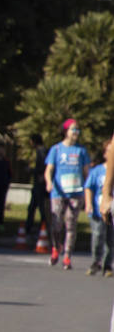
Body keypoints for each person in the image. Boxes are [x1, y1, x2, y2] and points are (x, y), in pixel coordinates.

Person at [45, 118, 90, 270]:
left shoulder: (81, 151)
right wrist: (49, 182)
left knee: (71, 223)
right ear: (66, 131)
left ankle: (67, 256)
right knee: (57, 223)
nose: (76, 132)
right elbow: (49, 169)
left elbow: (86, 172)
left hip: (76, 192)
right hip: (58, 192)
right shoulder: (56, 149)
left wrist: (88, 190)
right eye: (73, 129)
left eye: (78, 129)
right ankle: (56, 247)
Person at [84, 151, 112, 277]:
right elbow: (88, 187)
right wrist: (88, 204)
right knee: (98, 236)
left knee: (110, 240)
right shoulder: (97, 171)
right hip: (97, 210)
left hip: (111, 210)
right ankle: (96, 261)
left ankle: (107, 266)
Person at [24, 133, 50, 237]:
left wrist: (32, 170)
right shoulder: (42, 150)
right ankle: (29, 227)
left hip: (40, 184)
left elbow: (44, 166)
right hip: (38, 184)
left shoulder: (41, 151)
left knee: (40, 207)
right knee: (32, 207)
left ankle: (43, 227)